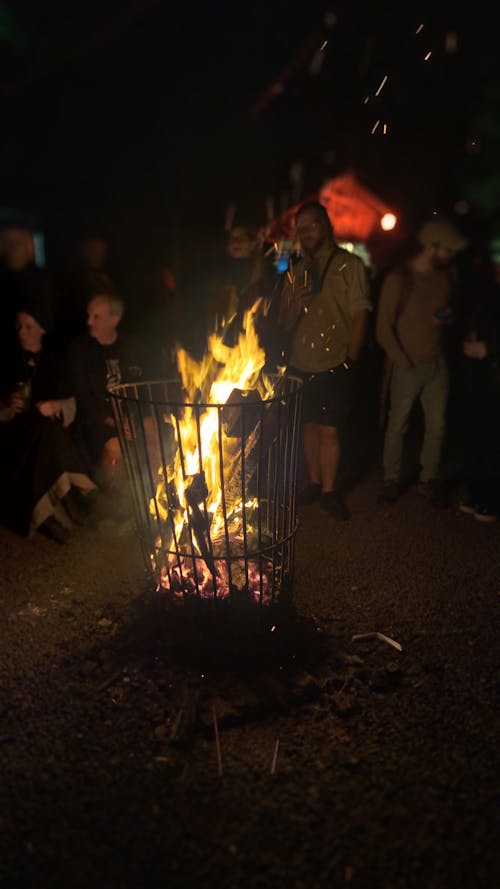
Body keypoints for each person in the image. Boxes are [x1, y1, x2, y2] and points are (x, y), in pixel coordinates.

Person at [277, 201, 372, 520]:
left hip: (335, 361)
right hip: (301, 361)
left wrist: (350, 360)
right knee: (307, 425)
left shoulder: (350, 266)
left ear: (327, 226)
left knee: (330, 429)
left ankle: (330, 492)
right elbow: (284, 322)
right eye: (300, 228)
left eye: (312, 225)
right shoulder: (298, 270)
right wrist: (294, 307)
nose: (305, 233)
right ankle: (314, 484)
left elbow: (360, 314)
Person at [375, 217, 468, 505]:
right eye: (447, 250)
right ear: (431, 247)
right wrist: (402, 361)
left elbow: (446, 312)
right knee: (398, 425)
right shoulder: (399, 279)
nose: (451, 256)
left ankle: (428, 479)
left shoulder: (445, 276)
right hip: (408, 364)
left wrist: (444, 318)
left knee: (436, 426)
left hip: (436, 362)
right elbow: (383, 328)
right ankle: (391, 479)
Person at [0, 302, 97, 543]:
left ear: (42, 329)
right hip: (13, 432)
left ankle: (55, 512)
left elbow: (71, 402)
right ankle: (69, 505)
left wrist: (56, 406)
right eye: (19, 326)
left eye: (29, 326)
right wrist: (8, 406)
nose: (22, 331)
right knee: (48, 436)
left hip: (46, 430)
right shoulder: (8, 359)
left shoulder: (54, 361)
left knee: (50, 434)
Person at [68, 288, 146, 488]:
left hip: (130, 418)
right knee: (115, 447)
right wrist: (116, 421)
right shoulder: (80, 350)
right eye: (89, 316)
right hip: (96, 421)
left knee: (155, 433)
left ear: (115, 319)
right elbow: (85, 398)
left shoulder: (132, 346)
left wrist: (134, 419)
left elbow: (143, 389)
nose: (89, 322)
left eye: (96, 317)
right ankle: (111, 500)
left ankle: (154, 495)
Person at [458, 242, 500, 522]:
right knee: (479, 435)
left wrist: (490, 350)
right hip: (482, 376)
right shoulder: (488, 290)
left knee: (493, 438)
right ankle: (478, 493)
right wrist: (470, 341)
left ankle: (490, 500)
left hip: (493, 373)